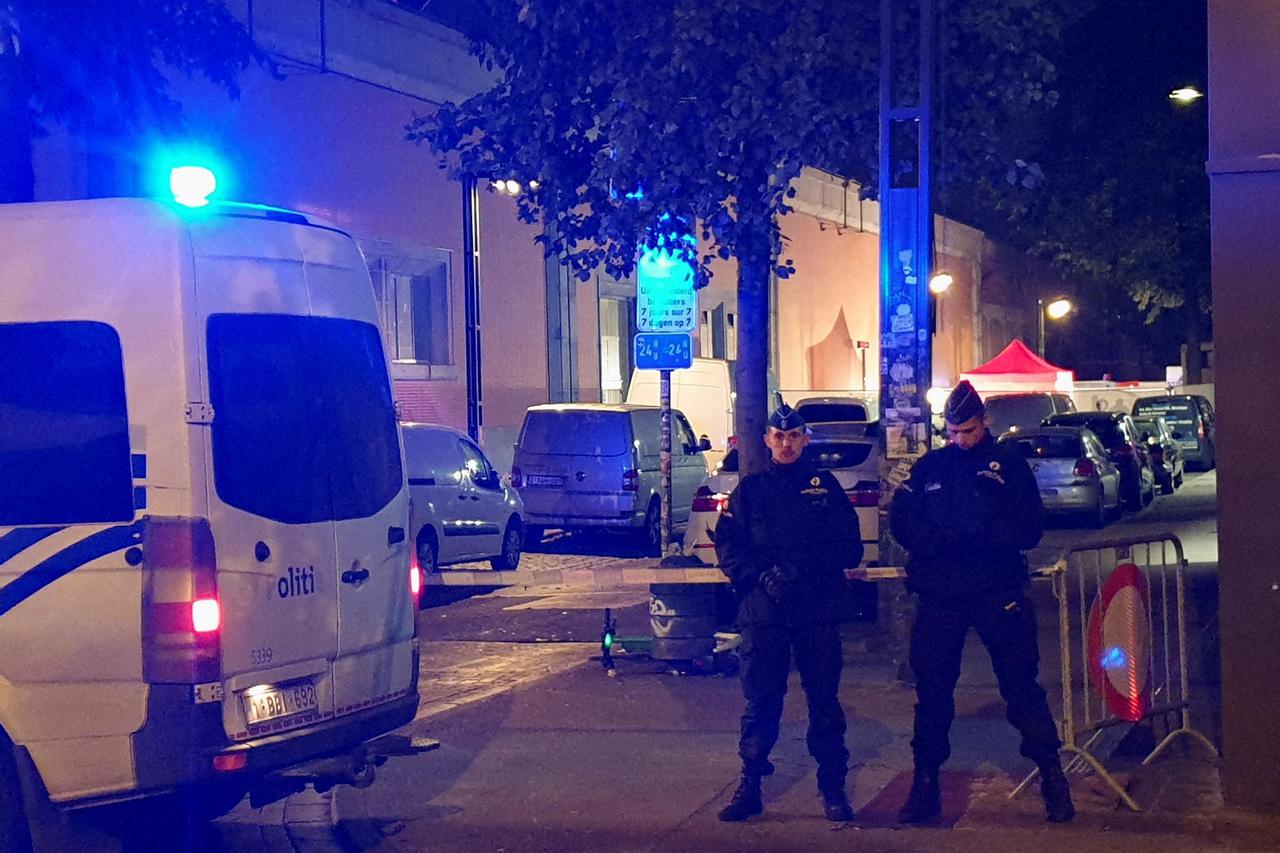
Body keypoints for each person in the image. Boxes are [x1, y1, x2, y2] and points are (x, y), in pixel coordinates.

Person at [889, 381, 1075, 824]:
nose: (960, 440)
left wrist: (978, 541)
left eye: (967, 431)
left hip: (995, 591)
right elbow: (904, 519)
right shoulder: (931, 467)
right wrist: (938, 542)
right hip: (941, 597)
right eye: (953, 432)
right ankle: (925, 785)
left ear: (983, 423)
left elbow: (1029, 527)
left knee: (1021, 688)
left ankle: (1052, 778)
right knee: (932, 694)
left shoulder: (1008, 465)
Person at [714, 404, 864, 823]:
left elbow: (849, 545)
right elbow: (728, 546)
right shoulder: (750, 491)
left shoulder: (825, 487)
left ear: (805, 439)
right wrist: (760, 577)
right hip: (765, 613)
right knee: (760, 702)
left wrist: (803, 568)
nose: (785, 444)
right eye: (778, 437)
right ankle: (751, 785)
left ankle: (833, 788)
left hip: (816, 608)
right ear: (766, 440)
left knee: (824, 703)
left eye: (793, 436)